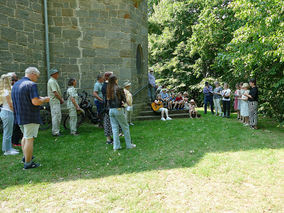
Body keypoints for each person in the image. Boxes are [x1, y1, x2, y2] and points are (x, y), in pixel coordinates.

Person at [12, 67, 50, 169]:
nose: (36, 79)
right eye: (37, 77)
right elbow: (35, 102)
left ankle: (26, 157)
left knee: (25, 137)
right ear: (33, 74)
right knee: (29, 139)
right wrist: (45, 100)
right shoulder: (31, 85)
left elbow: (29, 98)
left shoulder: (16, 84)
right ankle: (28, 164)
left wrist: (39, 98)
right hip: (30, 116)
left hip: (19, 115)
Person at [107, 75, 136, 151]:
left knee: (115, 128)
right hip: (118, 109)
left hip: (111, 110)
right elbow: (124, 99)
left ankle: (116, 146)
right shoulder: (119, 88)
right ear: (115, 80)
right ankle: (129, 145)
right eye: (116, 79)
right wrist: (122, 104)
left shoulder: (108, 89)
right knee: (125, 127)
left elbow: (108, 100)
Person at [0, 74, 19, 155]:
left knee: (8, 132)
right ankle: (7, 150)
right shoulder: (6, 91)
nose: (11, 81)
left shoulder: (3, 90)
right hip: (7, 112)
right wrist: (16, 111)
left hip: (5, 111)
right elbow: (10, 104)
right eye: (10, 79)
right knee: (7, 132)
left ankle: (8, 148)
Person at [47, 68, 64, 136]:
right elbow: (55, 92)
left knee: (57, 116)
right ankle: (55, 132)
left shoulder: (53, 80)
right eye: (56, 73)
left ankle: (57, 130)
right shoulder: (52, 81)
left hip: (55, 101)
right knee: (56, 116)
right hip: (54, 101)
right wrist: (61, 100)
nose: (58, 75)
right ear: (53, 74)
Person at [8, 72, 23, 146]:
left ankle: (17, 139)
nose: (15, 81)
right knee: (15, 125)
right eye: (14, 79)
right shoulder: (10, 88)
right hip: (12, 109)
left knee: (17, 125)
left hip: (16, 108)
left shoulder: (14, 87)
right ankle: (15, 141)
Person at [102, 72, 114, 144]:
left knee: (107, 121)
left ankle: (109, 139)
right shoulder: (108, 85)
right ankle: (110, 139)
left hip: (106, 105)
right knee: (110, 121)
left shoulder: (104, 85)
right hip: (110, 104)